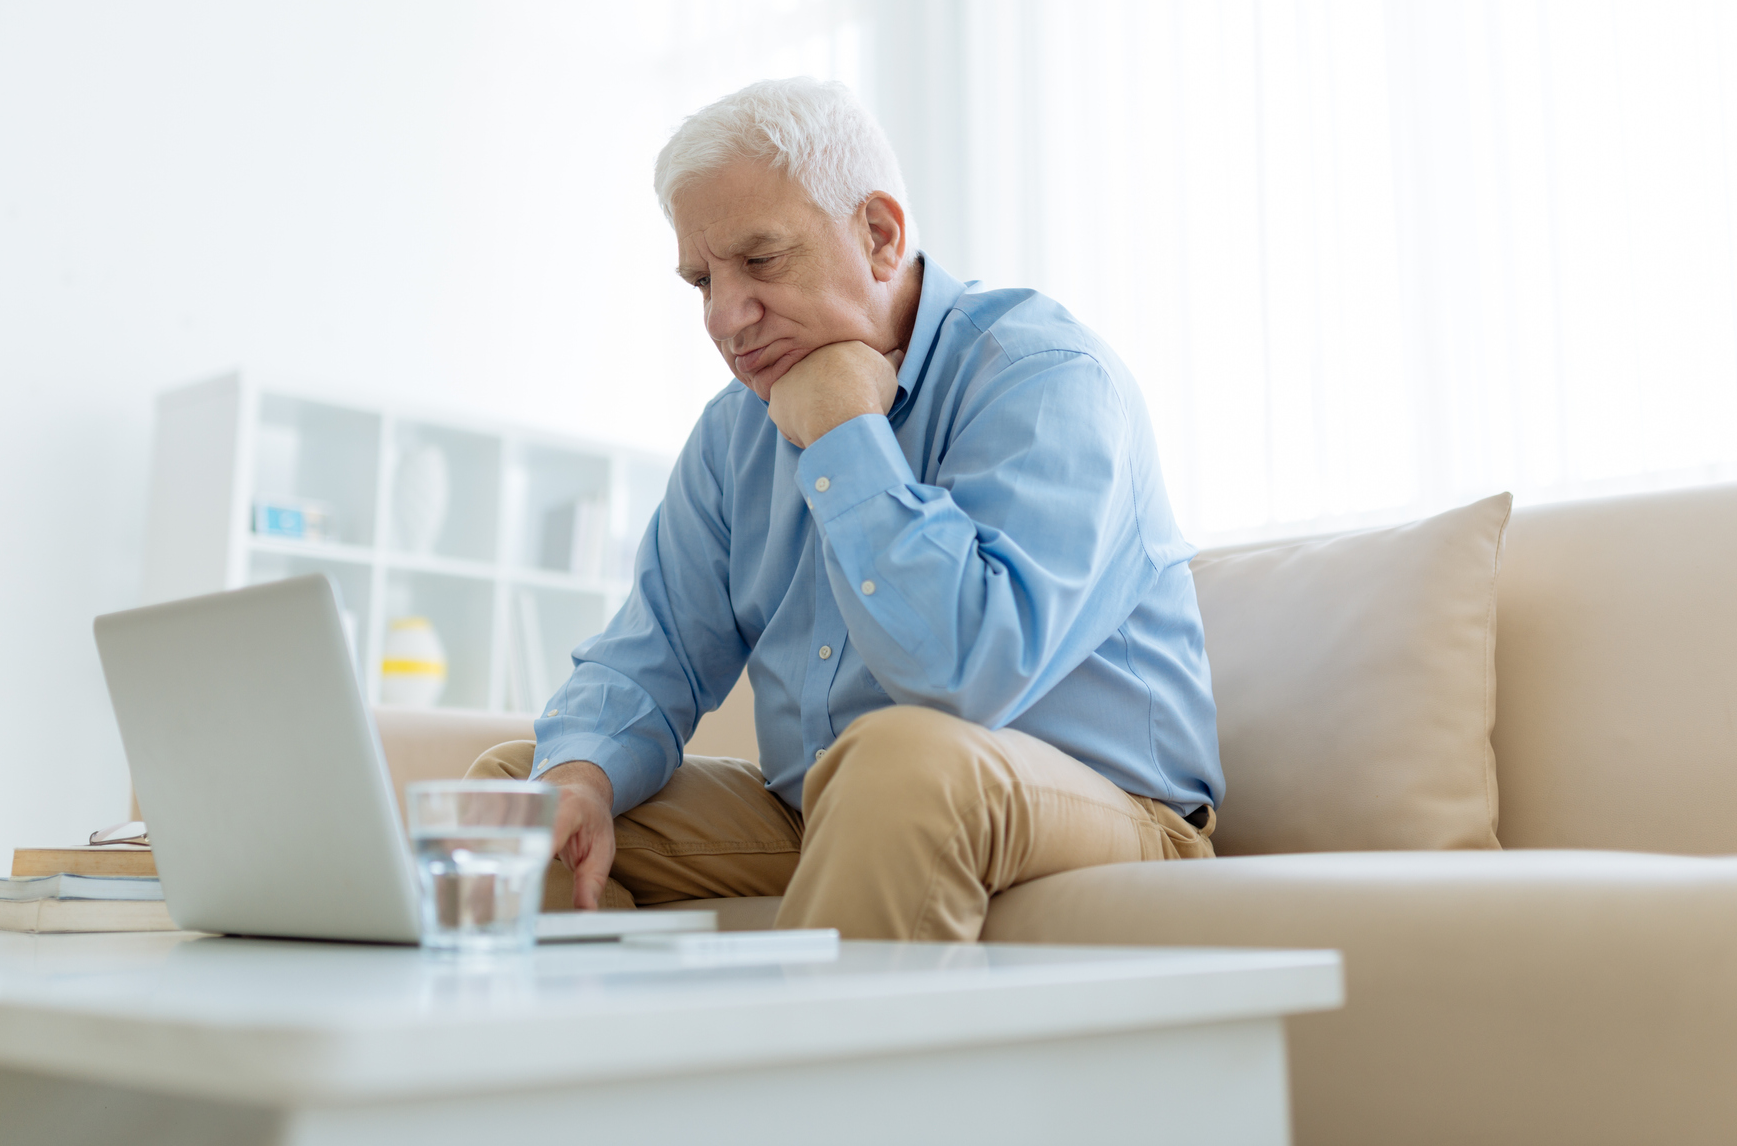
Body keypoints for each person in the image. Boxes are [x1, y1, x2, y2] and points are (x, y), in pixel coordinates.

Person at [468, 78, 1224, 940]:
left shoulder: (1046, 376)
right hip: (833, 808)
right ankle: (602, 1071)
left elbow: (966, 674)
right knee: (521, 798)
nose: (725, 316)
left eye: (760, 260)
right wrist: (580, 772)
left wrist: (843, 436)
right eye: (700, 281)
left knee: (901, 762)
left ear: (878, 234)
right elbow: (651, 655)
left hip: (1110, 810)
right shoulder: (734, 432)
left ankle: (807, 1077)